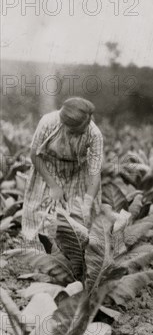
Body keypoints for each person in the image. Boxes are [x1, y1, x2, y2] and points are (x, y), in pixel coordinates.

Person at [22, 97, 103, 242]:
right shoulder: (48, 122)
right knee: (41, 212)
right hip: (48, 166)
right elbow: (34, 155)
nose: (77, 136)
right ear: (64, 124)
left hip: (78, 170)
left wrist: (87, 202)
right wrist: (53, 186)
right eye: (74, 132)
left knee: (75, 216)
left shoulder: (94, 134)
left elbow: (95, 172)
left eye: (81, 133)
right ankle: (38, 248)